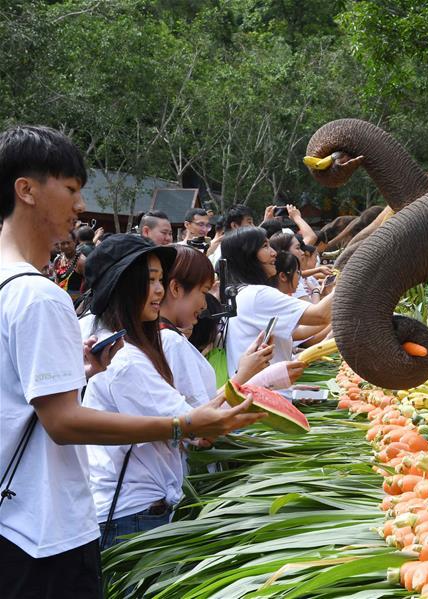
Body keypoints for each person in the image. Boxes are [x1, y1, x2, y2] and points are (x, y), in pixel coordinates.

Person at [0, 126, 263, 598]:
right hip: (45, 529)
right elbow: (61, 423)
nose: (80, 206)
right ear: (27, 190)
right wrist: (179, 425)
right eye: (72, 189)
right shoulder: (40, 296)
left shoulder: (7, 284)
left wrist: (79, 376)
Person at [80, 234, 269, 548]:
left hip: (139, 508)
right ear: (124, 286)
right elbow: (194, 425)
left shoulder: (133, 347)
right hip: (132, 514)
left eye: (161, 279)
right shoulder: (126, 360)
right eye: (150, 280)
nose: (159, 290)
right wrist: (247, 380)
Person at [158, 245, 278, 407]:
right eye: (204, 292)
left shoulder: (165, 337)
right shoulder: (172, 342)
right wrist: (244, 373)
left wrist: (245, 370)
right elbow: (201, 417)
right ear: (176, 288)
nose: (204, 305)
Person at [219, 227, 333, 376]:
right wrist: (352, 274)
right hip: (264, 394)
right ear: (247, 256)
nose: (274, 253)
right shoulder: (258, 295)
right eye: (265, 246)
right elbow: (320, 315)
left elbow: (301, 330)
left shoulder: (243, 293)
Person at [51, 229, 85, 301]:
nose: (66, 246)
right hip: (61, 300)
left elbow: (89, 286)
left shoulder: (81, 261)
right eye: (63, 243)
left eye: (68, 243)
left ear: (75, 242)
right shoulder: (57, 260)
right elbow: (56, 282)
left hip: (77, 303)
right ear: (58, 244)